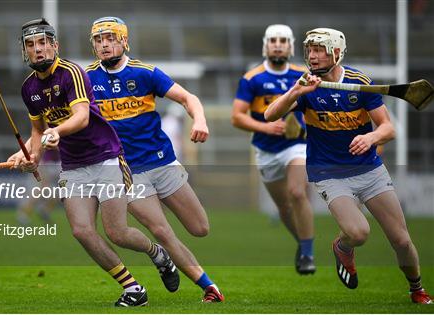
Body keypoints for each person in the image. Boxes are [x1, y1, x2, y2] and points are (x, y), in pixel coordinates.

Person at [9, 18, 179, 307]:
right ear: (24, 51)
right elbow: (37, 132)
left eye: (42, 43)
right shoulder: (29, 89)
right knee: (81, 230)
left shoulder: (71, 73)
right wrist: (28, 155)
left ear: (54, 46)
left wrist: (56, 131)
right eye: (30, 45)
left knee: (118, 232)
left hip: (105, 157)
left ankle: (158, 254)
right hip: (73, 165)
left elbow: (81, 117)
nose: (37, 50)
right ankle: (133, 288)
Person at [264, 27, 432, 304]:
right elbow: (271, 115)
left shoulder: (360, 82)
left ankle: (417, 289)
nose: (313, 56)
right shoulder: (305, 84)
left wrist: (371, 137)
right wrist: (295, 92)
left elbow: (388, 128)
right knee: (358, 232)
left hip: (370, 170)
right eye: (310, 50)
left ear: (337, 53)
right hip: (328, 173)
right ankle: (343, 247)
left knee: (401, 240)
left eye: (320, 50)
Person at [85, 16, 224, 302]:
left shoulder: (145, 73)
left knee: (200, 228)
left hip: (162, 162)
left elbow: (189, 98)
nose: (104, 45)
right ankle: (209, 288)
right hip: (126, 171)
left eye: (110, 38)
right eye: (98, 40)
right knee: (162, 231)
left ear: (124, 41)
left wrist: (199, 120)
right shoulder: (86, 79)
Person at [231, 24, 316, 275]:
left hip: (297, 145)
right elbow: (237, 117)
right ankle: (302, 243)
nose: (278, 44)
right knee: (284, 208)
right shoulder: (252, 78)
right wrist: (266, 128)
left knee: (297, 192)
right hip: (266, 151)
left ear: (290, 46)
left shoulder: (304, 75)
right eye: (273, 40)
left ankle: (308, 254)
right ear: (265, 45)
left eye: (283, 40)